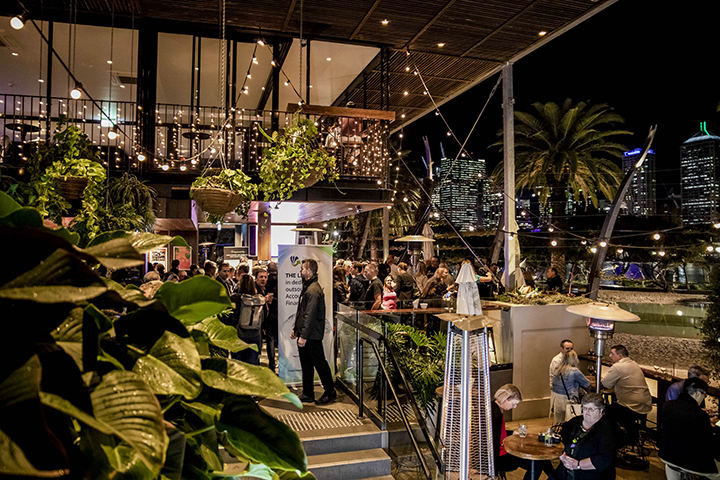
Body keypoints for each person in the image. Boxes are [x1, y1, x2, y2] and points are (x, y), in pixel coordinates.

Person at [291, 259, 336, 405]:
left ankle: (330, 392)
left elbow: (309, 315)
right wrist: (296, 330)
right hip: (307, 334)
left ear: (309, 271)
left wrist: (303, 335)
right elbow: (303, 312)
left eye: (303, 269)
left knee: (319, 363)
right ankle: (307, 393)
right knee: (307, 364)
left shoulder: (313, 290)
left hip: (312, 335)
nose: (301, 271)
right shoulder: (309, 287)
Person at [659, 377, 720, 480]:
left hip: (667, 456)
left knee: (672, 465)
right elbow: (710, 445)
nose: (703, 398)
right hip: (692, 463)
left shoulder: (667, 406)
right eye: (704, 395)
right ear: (698, 393)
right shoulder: (700, 415)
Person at [552, 393, 620, 480]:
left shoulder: (608, 430)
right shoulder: (574, 422)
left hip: (592, 474)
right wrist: (563, 456)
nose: (587, 412)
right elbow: (560, 440)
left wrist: (578, 465)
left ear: (601, 411)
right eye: (585, 408)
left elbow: (605, 458)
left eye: (591, 409)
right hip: (566, 470)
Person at [492, 384, 548, 480]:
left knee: (541, 459)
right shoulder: (495, 413)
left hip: (501, 453)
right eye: (513, 404)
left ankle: (556, 477)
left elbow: (498, 432)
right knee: (537, 463)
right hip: (498, 458)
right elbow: (493, 439)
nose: (514, 407)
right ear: (506, 399)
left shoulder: (495, 407)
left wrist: (512, 433)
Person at [601, 345, 652, 445]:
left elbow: (606, 384)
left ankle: (620, 438)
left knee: (604, 412)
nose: (610, 356)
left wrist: (602, 380)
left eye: (612, 354)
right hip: (645, 403)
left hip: (632, 406)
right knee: (616, 410)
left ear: (620, 356)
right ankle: (631, 435)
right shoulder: (633, 363)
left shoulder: (618, 367)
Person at [231, 275, 265, 365]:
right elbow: (264, 316)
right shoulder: (259, 299)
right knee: (253, 363)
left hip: (239, 334)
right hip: (255, 334)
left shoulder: (235, 298)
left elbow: (231, 316)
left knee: (237, 364)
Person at [550, 350, 591, 425]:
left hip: (556, 400)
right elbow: (587, 383)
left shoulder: (557, 369)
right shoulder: (574, 371)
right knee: (570, 423)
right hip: (568, 400)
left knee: (559, 424)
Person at [255, 268, 277, 373]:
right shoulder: (254, 289)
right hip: (256, 323)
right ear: (256, 278)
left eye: (265, 277)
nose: (263, 279)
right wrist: (262, 300)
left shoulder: (267, 289)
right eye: (261, 277)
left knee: (269, 341)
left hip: (267, 320)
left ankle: (272, 365)